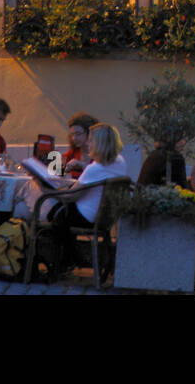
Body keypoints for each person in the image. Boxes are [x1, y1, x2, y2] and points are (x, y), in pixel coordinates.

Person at [44, 123, 128, 272]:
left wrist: (49, 186)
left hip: (86, 217)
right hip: (104, 217)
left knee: (53, 213)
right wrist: (68, 181)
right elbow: (91, 183)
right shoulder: (119, 161)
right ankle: (68, 259)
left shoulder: (94, 168)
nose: (88, 144)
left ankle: (65, 259)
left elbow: (71, 196)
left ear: (99, 144)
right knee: (58, 212)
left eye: (91, 140)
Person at [62, 112, 98, 179]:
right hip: (75, 189)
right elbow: (59, 170)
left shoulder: (100, 154)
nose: (74, 138)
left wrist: (82, 165)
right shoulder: (74, 152)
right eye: (72, 134)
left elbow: (99, 174)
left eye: (78, 134)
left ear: (90, 133)